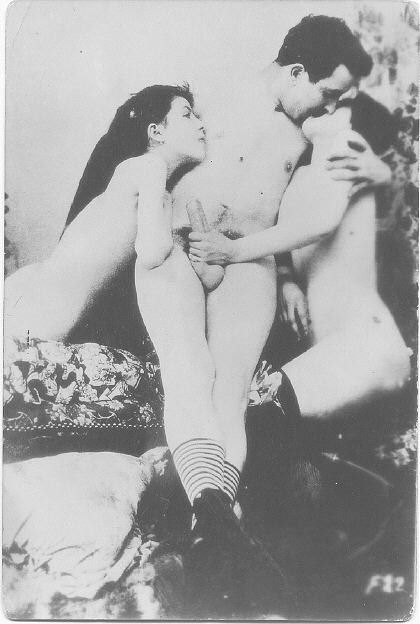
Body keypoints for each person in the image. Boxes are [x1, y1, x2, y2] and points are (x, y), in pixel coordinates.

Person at [133, 14, 374, 554]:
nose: (330, 107)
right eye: (327, 94)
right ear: (295, 72)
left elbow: (310, 208)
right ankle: (215, 517)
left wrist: (285, 275)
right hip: (181, 242)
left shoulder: (317, 128)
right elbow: (142, 150)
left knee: (231, 390)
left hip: (247, 260)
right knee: (189, 369)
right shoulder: (210, 95)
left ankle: (209, 524)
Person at [189, 92, 411, 430]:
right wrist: (286, 277)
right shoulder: (304, 174)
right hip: (327, 353)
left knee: (247, 409)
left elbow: (319, 223)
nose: (327, 106)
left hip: (365, 343)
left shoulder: (348, 151)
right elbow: (288, 234)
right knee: (240, 410)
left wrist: (233, 251)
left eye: (339, 107)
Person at [4, 84, 206, 344]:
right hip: (38, 313)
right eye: (187, 115)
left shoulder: (138, 175)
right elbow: (152, 253)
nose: (201, 125)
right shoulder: (151, 166)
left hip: (32, 291)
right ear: (156, 132)